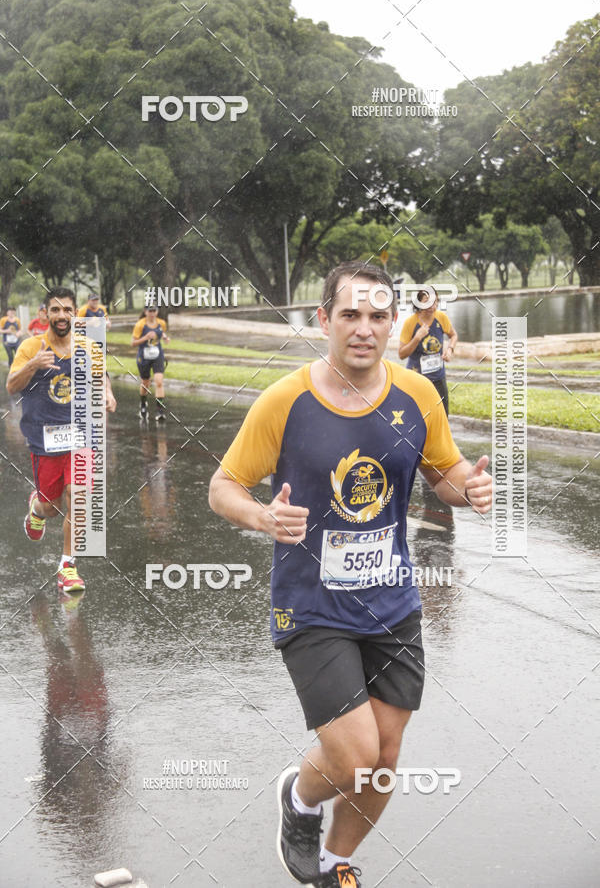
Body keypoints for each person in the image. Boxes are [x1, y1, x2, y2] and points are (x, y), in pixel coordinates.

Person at [208, 261, 492, 888]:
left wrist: (467, 488)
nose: (364, 329)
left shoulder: (417, 396)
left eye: (378, 316)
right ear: (324, 320)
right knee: (355, 754)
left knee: (384, 759)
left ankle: (335, 863)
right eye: (350, 315)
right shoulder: (285, 401)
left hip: (392, 604)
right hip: (311, 607)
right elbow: (223, 487)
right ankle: (300, 797)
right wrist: (262, 517)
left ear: (393, 323)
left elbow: (443, 475)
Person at [6, 287, 117, 592]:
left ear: (75, 313)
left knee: (79, 497)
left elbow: (101, 374)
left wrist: (107, 393)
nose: (61, 315)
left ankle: (67, 567)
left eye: (67, 309)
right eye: (55, 310)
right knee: (51, 507)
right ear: (45, 314)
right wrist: (33, 365)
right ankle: (36, 509)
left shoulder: (87, 346)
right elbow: (12, 386)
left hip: (81, 435)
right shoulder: (31, 347)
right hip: (45, 440)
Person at [398, 288, 458, 414]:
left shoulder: (441, 317)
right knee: (418, 416)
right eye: (427, 302)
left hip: (438, 378)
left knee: (442, 414)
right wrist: (417, 338)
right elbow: (401, 354)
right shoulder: (410, 323)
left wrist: (450, 349)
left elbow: (453, 335)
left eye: (435, 301)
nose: (432, 306)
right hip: (416, 379)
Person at [131, 304, 170, 421]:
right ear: (145, 312)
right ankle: (143, 404)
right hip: (144, 356)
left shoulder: (161, 323)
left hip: (157, 355)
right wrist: (146, 337)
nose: (152, 313)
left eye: (154, 311)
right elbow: (133, 343)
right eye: (150, 311)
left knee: (159, 381)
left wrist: (165, 337)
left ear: (157, 311)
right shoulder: (140, 324)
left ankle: (160, 411)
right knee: (145, 383)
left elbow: (161, 331)